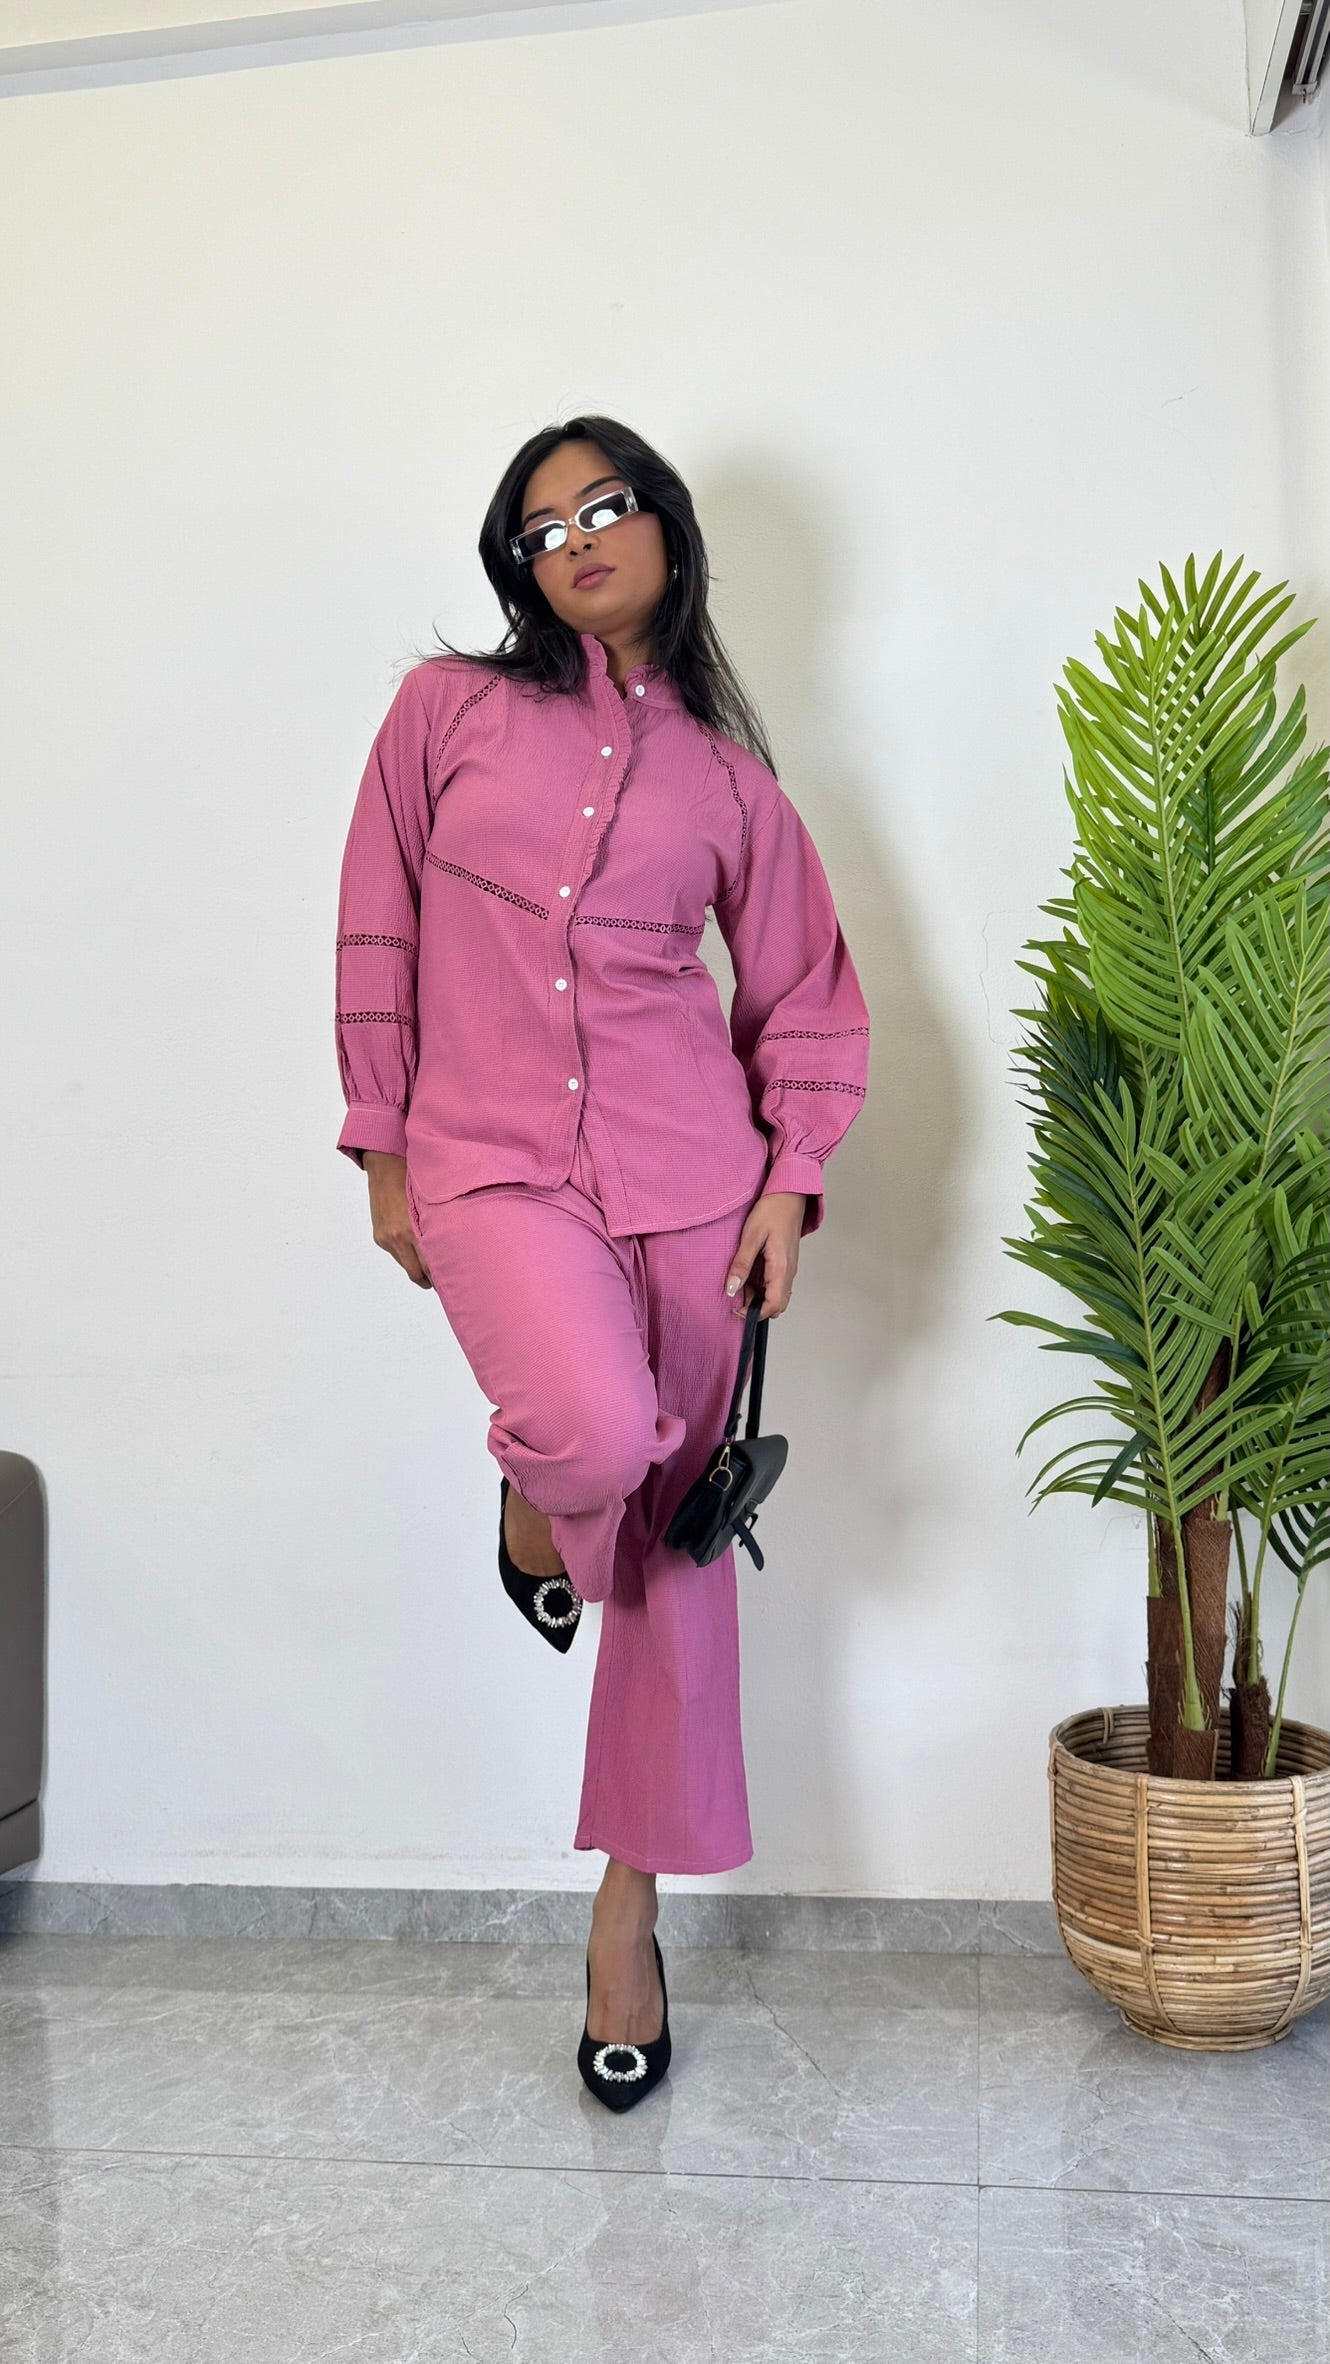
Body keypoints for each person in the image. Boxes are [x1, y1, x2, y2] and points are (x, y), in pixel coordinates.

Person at [334, 414, 870, 2110]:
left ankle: (624, 1920)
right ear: (518, 563)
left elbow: (804, 1001)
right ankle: (526, 1505)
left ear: (666, 531)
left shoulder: (732, 785)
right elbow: (376, 923)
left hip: (693, 1186)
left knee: (672, 1563)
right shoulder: (444, 714)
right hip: (491, 1160)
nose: (574, 536)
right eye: (541, 523)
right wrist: (382, 1141)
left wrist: (787, 1185)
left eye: (605, 505)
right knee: (585, 1432)